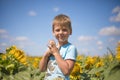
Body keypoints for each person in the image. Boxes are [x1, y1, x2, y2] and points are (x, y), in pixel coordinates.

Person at [39, 14, 78, 80]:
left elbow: (66, 71)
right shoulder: (52, 48)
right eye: (57, 30)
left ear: (70, 31)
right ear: (53, 32)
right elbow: (42, 69)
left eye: (64, 30)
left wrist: (56, 53)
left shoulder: (71, 48)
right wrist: (46, 55)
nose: (61, 32)